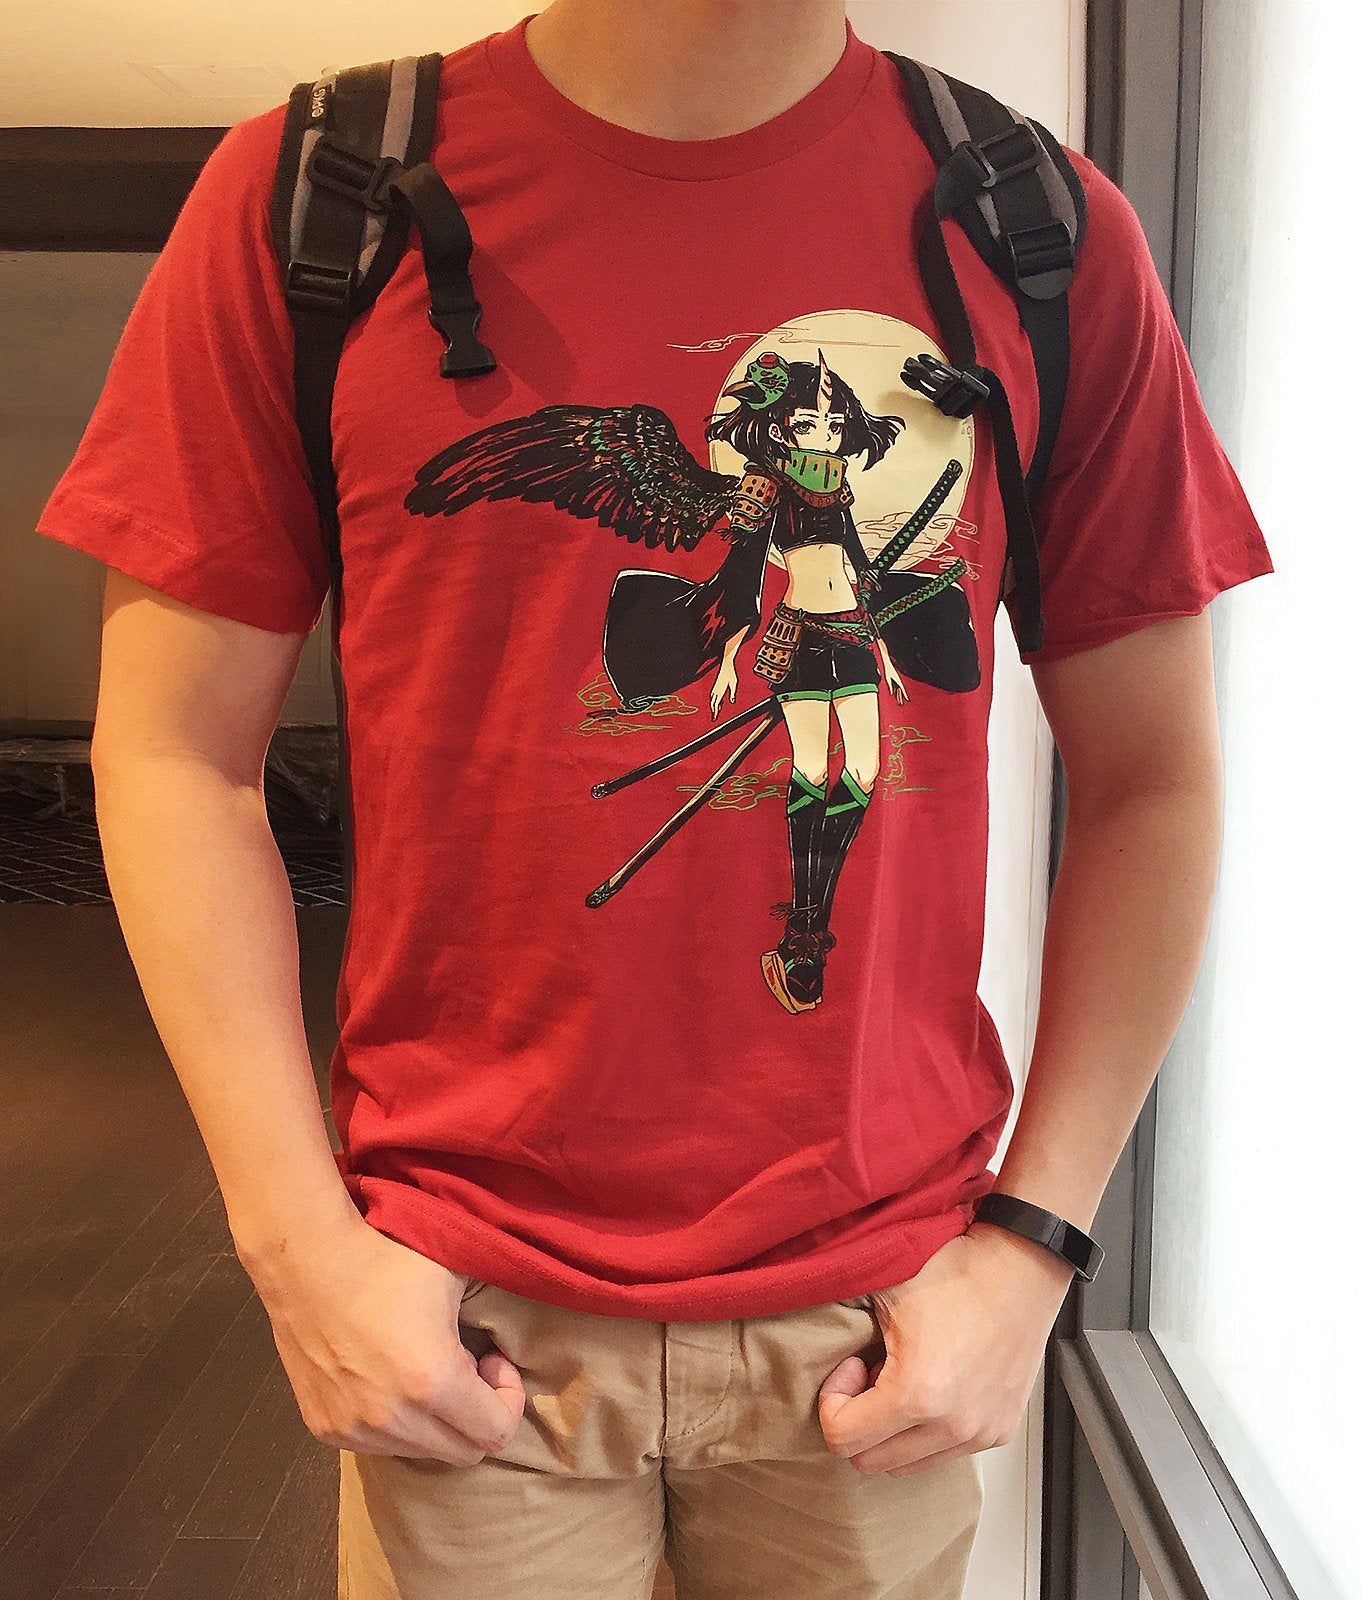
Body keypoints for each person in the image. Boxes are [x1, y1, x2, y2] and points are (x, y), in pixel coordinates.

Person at [34, 1, 1275, 1596]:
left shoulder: (1032, 229)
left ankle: (801, 919)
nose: (817, 426)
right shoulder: (321, 198)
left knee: (828, 787)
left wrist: (1033, 1251)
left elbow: (1150, 784)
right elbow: (176, 758)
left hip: (872, 1330)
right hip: (466, 1319)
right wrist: (296, 1253)